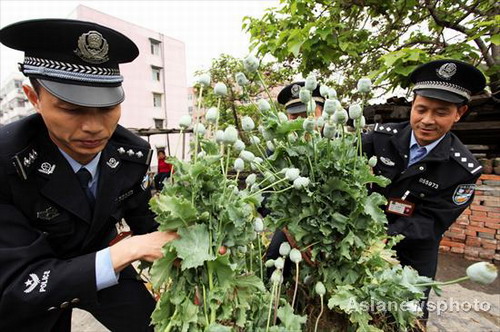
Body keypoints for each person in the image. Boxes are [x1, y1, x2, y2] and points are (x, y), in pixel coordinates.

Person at [0, 19, 178, 332]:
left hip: (105, 269)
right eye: (72, 109)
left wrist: (190, 257)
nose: (95, 127)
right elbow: (17, 284)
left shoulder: (130, 154)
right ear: (33, 97)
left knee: (157, 325)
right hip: (31, 286)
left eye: (108, 106)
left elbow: (150, 223)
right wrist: (130, 249)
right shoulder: (7, 162)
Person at [362, 59, 486, 321]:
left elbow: (432, 222)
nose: (427, 120)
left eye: (441, 112)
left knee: (409, 315)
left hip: (413, 247)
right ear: (412, 105)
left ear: (459, 112)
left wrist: (384, 238)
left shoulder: (462, 169)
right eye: (421, 109)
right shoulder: (379, 138)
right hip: (363, 234)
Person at [265, 81, 325, 276]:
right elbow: (265, 193)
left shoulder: (339, 143)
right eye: (294, 116)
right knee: (273, 261)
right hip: (290, 225)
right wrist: (289, 228)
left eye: (306, 114)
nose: (300, 123)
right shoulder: (277, 148)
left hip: (327, 224)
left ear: (322, 114)